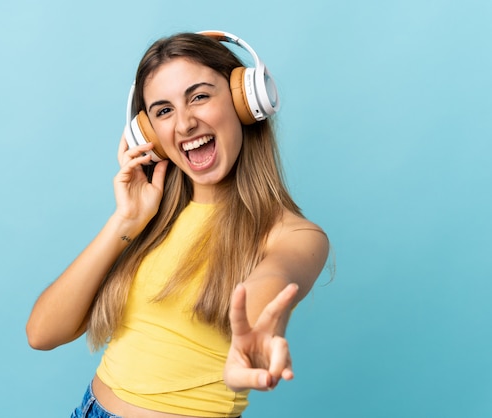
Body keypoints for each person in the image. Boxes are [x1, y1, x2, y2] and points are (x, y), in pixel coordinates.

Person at [26, 30, 329, 418]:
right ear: (149, 134)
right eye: (163, 111)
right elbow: (42, 333)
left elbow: (270, 284)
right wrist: (126, 219)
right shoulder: (149, 224)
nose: (184, 123)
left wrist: (255, 336)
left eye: (199, 96)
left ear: (244, 101)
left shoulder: (295, 235)